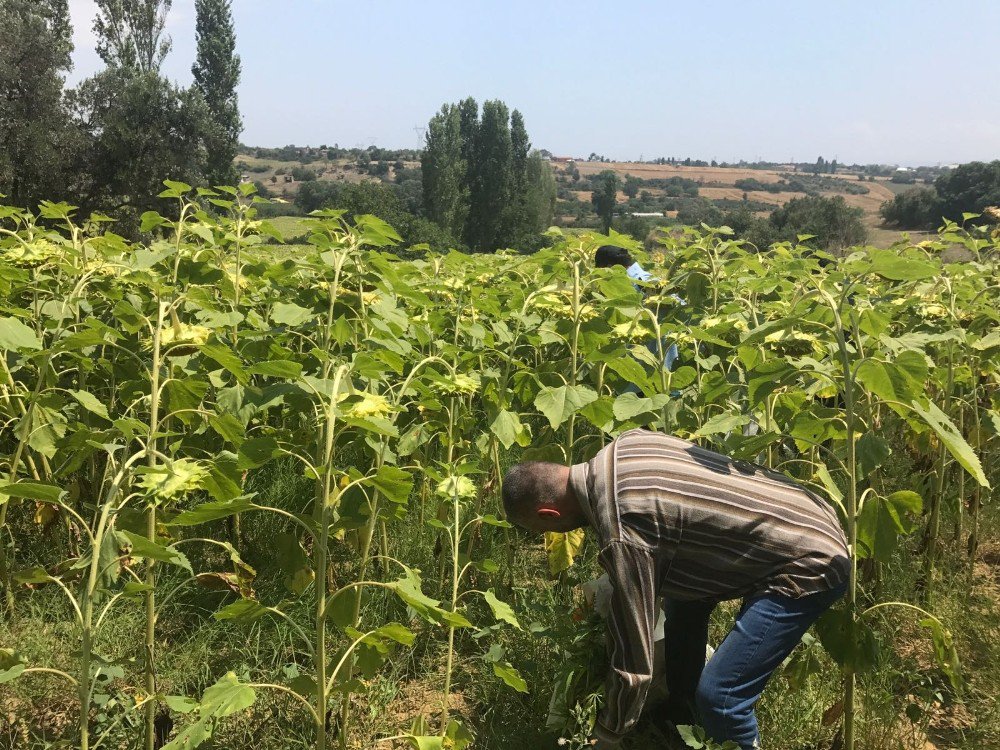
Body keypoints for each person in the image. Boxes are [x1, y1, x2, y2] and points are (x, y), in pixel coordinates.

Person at [502, 429, 849, 749]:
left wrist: (608, 735)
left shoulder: (622, 530)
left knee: (722, 698)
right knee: (683, 605)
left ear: (549, 514)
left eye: (542, 529)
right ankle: (683, 720)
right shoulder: (626, 444)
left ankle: (719, 726)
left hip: (810, 561)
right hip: (809, 513)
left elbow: (635, 660)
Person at [594, 245, 679, 374]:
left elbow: (679, 304)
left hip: (657, 355)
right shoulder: (637, 279)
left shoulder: (643, 282)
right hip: (640, 356)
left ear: (610, 267)